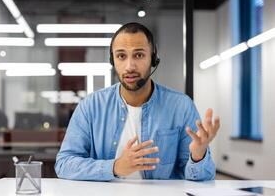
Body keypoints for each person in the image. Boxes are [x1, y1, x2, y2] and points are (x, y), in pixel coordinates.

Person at [55, 22, 220, 181]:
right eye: (121, 56)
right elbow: (64, 164)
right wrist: (115, 167)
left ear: (153, 58)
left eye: (139, 55)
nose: (129, 66)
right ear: (113, 61)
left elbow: (202, 178)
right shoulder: (91, 106)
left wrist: (198, 156)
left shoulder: (181, 106)